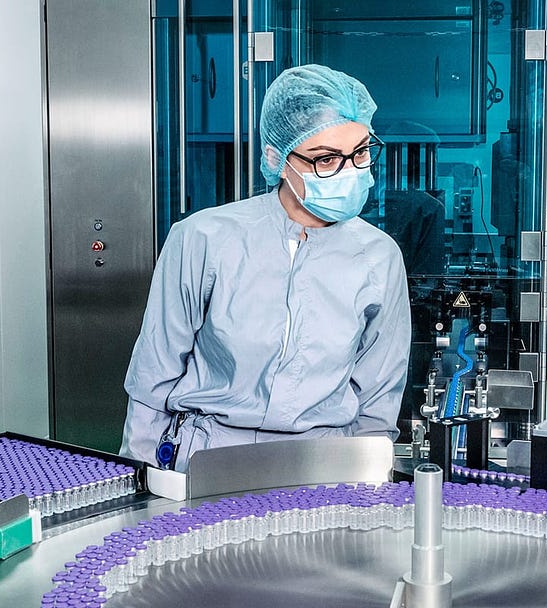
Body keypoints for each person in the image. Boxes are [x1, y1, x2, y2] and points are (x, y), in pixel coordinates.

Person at [121, 65, 412, 470]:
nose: (349, 171)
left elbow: (379, 395)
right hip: (208, 459)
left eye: (360, 152)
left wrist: (364, 481)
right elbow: (154, 373)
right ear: (277, 157)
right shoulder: (203, 239)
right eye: (325, 159)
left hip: (325, 465)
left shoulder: (378, 257)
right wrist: (141, 478)